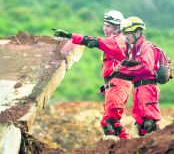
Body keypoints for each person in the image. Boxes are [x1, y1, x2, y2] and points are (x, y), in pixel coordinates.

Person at [52, 10, 132, 139]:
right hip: (115, 84)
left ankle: (129, 148)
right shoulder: (116, 41)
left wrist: (70, 36)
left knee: (111, 122)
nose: (105, 29)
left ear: (117, 28)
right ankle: (121, 147)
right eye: (104, 25)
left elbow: (93, 41)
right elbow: (116, 66)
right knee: (108, 122)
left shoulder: (116, 41)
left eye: (108, 26)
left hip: (119, 85)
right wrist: (106, 85)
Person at [116, 16, 161, 136]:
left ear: (137, 32)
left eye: (128, 33)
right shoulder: (134, 51)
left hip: (147, 88)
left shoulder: (146, 47)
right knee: (140, 124)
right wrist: (121, 70)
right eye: (124, 34)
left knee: (149, 123)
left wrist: (126, 69)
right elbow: (135, 69)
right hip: (138, 88)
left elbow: (146, 66)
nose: (126, 36)